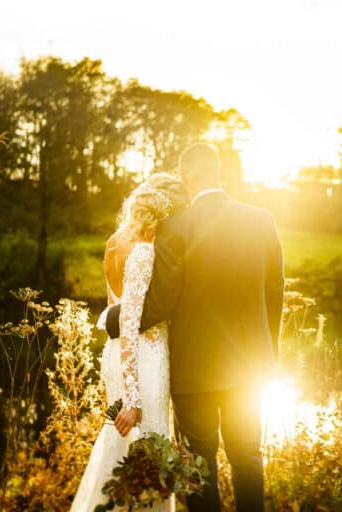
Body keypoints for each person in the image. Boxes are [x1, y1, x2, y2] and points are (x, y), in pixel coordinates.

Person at [106, 143, 285, 512]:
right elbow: (274, 294)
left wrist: (112, 319)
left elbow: (162, 302)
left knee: (200, 464)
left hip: (195, 372)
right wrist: (271, 352)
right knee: (248, 456)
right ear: (219, 173)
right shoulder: (261, 220)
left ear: (186, 178)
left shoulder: (177, 226)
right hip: (250, 366)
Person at [71, 173, 189, 512]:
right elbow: (128, 321)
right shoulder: (143, 251)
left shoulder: (114, 241)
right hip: (142, 358)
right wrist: (132, 397)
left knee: (121, 446)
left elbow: (113, 307)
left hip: (116, 356)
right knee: (147, 446)